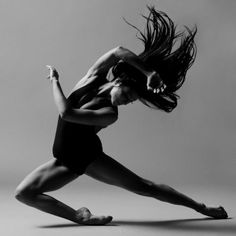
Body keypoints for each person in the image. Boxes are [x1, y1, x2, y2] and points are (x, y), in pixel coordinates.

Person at [15, 6, 228, 225]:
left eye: (130, 101)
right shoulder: (92, 78)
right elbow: (117, 51)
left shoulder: (109, 114)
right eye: (127, 94)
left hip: (83, 159)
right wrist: (147, 73)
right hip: (62, 157)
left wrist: (55, 81)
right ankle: (80, 215)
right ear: (118, 81)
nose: (126, 101)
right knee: (22, 194)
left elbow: (66, 113)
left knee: (145, 187)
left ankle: (202, 208)